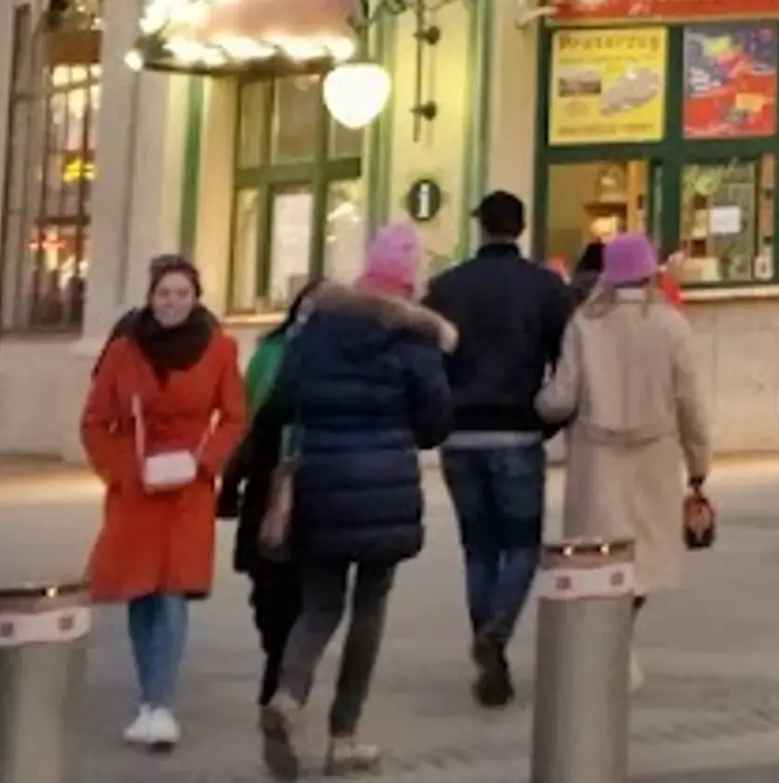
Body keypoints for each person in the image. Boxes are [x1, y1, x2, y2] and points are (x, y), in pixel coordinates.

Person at [256, 226, 451, 779]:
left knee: (319, 606)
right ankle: (343, 737)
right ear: (408, 280)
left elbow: (283, 398)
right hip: (385, 484)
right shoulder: (415, 338)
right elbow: (435, 418)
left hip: (320, 481)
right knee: (369, 610)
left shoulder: (316, 328)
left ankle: (288, 697)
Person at [81, 256, 247, 755]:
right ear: (150, 298)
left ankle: (160, 703)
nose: (171, 302)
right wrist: (119, 471)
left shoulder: (220, 350)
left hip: (187, 491)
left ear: (196, 298)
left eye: (181, 293)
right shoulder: (123, 351)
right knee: (141, 593)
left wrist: (206, 462)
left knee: (173, 593)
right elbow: (94, 421)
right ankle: (148, 696)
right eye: (163, 294)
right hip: (135, 491)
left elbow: (236, 417)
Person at [538, 232, 708, 684]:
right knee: (643, 561)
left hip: (598, 458)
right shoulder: (672, 326)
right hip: (654, 455)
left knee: (599, 558)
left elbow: (561, 397)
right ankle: (619, 643)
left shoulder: (584, 324)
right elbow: (690, 401)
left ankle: (608, 647)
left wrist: (536, 405)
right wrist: (699, 465)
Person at [426, 190, 572, 707]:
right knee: (521, 545)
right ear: (522, 226)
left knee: (478, 547)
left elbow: (429, 361)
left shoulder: (445, 287)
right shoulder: (545, 288)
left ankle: (491, 645)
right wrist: (549, 419)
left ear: (480, 226)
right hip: (517, 430)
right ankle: (498, 631)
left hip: (460, 434)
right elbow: (566, 361)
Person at [219, 278, 318, 720]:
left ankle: (283, 667)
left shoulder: (338, 359)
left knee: (300, 586)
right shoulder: (269, 353)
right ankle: (276, 649)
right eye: (308, 307)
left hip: (316, 488)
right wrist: (232, 479)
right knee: (265, 586)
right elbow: (247, 419)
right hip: (265, 480)